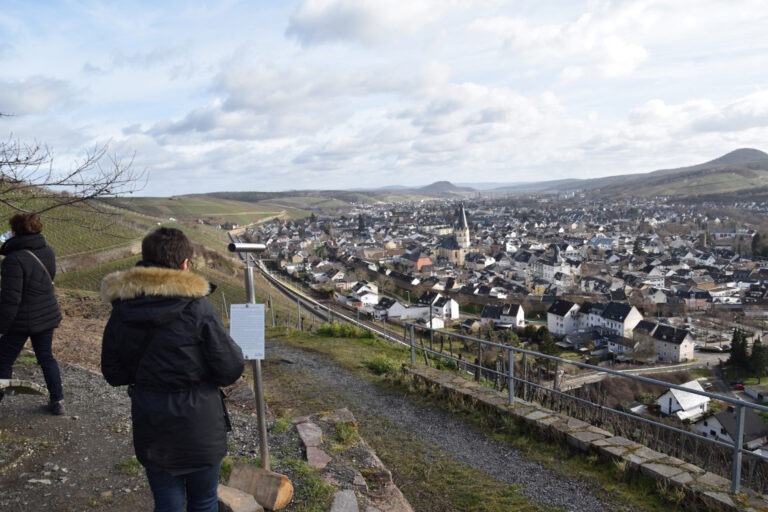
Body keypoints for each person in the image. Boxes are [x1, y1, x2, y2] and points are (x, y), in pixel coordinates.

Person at [100, 227, 244, 512]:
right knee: (204, 501)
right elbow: (230, 369)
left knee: (167, 502)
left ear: (144, 262)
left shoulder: (122, 309)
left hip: (153, 423)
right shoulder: (198, 309)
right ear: (185, 264)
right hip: (200, 424)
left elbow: (113, 373)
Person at [0, 213, 64, 414]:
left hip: (22, 319)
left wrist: (1, 326)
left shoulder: (13, 260)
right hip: (46, 313)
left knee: (3, 359)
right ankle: (58, 401)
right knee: (46, 357)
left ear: (15, 231)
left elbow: (11, 299)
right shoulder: (48, 251)